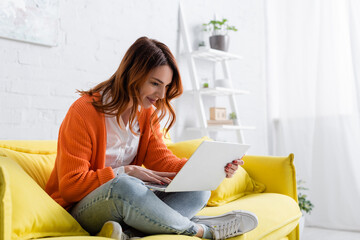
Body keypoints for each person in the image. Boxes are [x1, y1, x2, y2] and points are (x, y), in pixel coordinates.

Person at [45, 36, 258, 240]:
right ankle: (201, 230)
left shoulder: (146, 113)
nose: (162, 95)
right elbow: (71, 187)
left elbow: (163, 161)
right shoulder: (84, 111)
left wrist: (207, 168)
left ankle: (131, 233)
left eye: (165, 86)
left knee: (198, 190)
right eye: (155, 84)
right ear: (132, 75)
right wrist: (124, 172)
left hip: (125, 209)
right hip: (81, 208)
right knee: (126, 185)